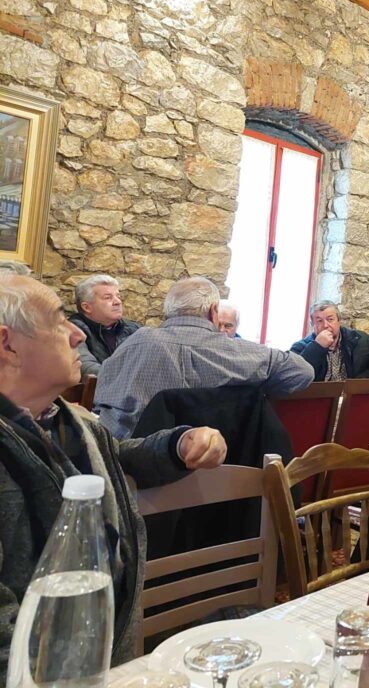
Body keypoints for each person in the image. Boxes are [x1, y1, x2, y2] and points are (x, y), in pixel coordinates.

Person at [0, 275, 227, 670]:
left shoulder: (67, 420)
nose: (77, 335)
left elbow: (114, 456)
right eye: (58, 321)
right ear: (7, 345)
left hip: (108, 654)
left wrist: (179, 444)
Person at [94, 277, 313, 439]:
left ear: (168, 310)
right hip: (219, 469)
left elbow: (100, 397)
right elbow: (302, 372)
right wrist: (256, 388)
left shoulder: (136, 342)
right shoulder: (236, 352)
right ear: (214, 311)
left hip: (133, 469)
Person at [290, 300, 369, 381]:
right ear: (312, 324)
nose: (325, 325)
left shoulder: (359, 340)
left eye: (330, 319)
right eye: (319, 321)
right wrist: (317, 347)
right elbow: (294, 377)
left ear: (339, 320)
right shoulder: (299, 348)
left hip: (353, 400)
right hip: (319, 401)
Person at [68, 274, 141, 376]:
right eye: (108, 298)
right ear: (87, 307)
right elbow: (86, 367)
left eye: (118, 296)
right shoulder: (72, 330)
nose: (118, 302)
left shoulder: (135, 330)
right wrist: (129, 378)